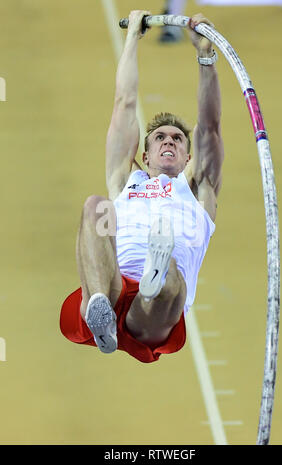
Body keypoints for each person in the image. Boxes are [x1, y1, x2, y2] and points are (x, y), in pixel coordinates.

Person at [60, 10, 224, 364]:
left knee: (171, 281)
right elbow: (125, 103)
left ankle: (154, 279)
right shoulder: (126, 179)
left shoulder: (197, 190)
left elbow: (209, 126)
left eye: (179, 140)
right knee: (95, 206)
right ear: (144, 156)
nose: (169, 142)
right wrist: (133, 35)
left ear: (188, 158)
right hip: (114, 283)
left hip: (153, 316)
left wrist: (205, 56)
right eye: (160, 138)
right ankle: (100, 303)